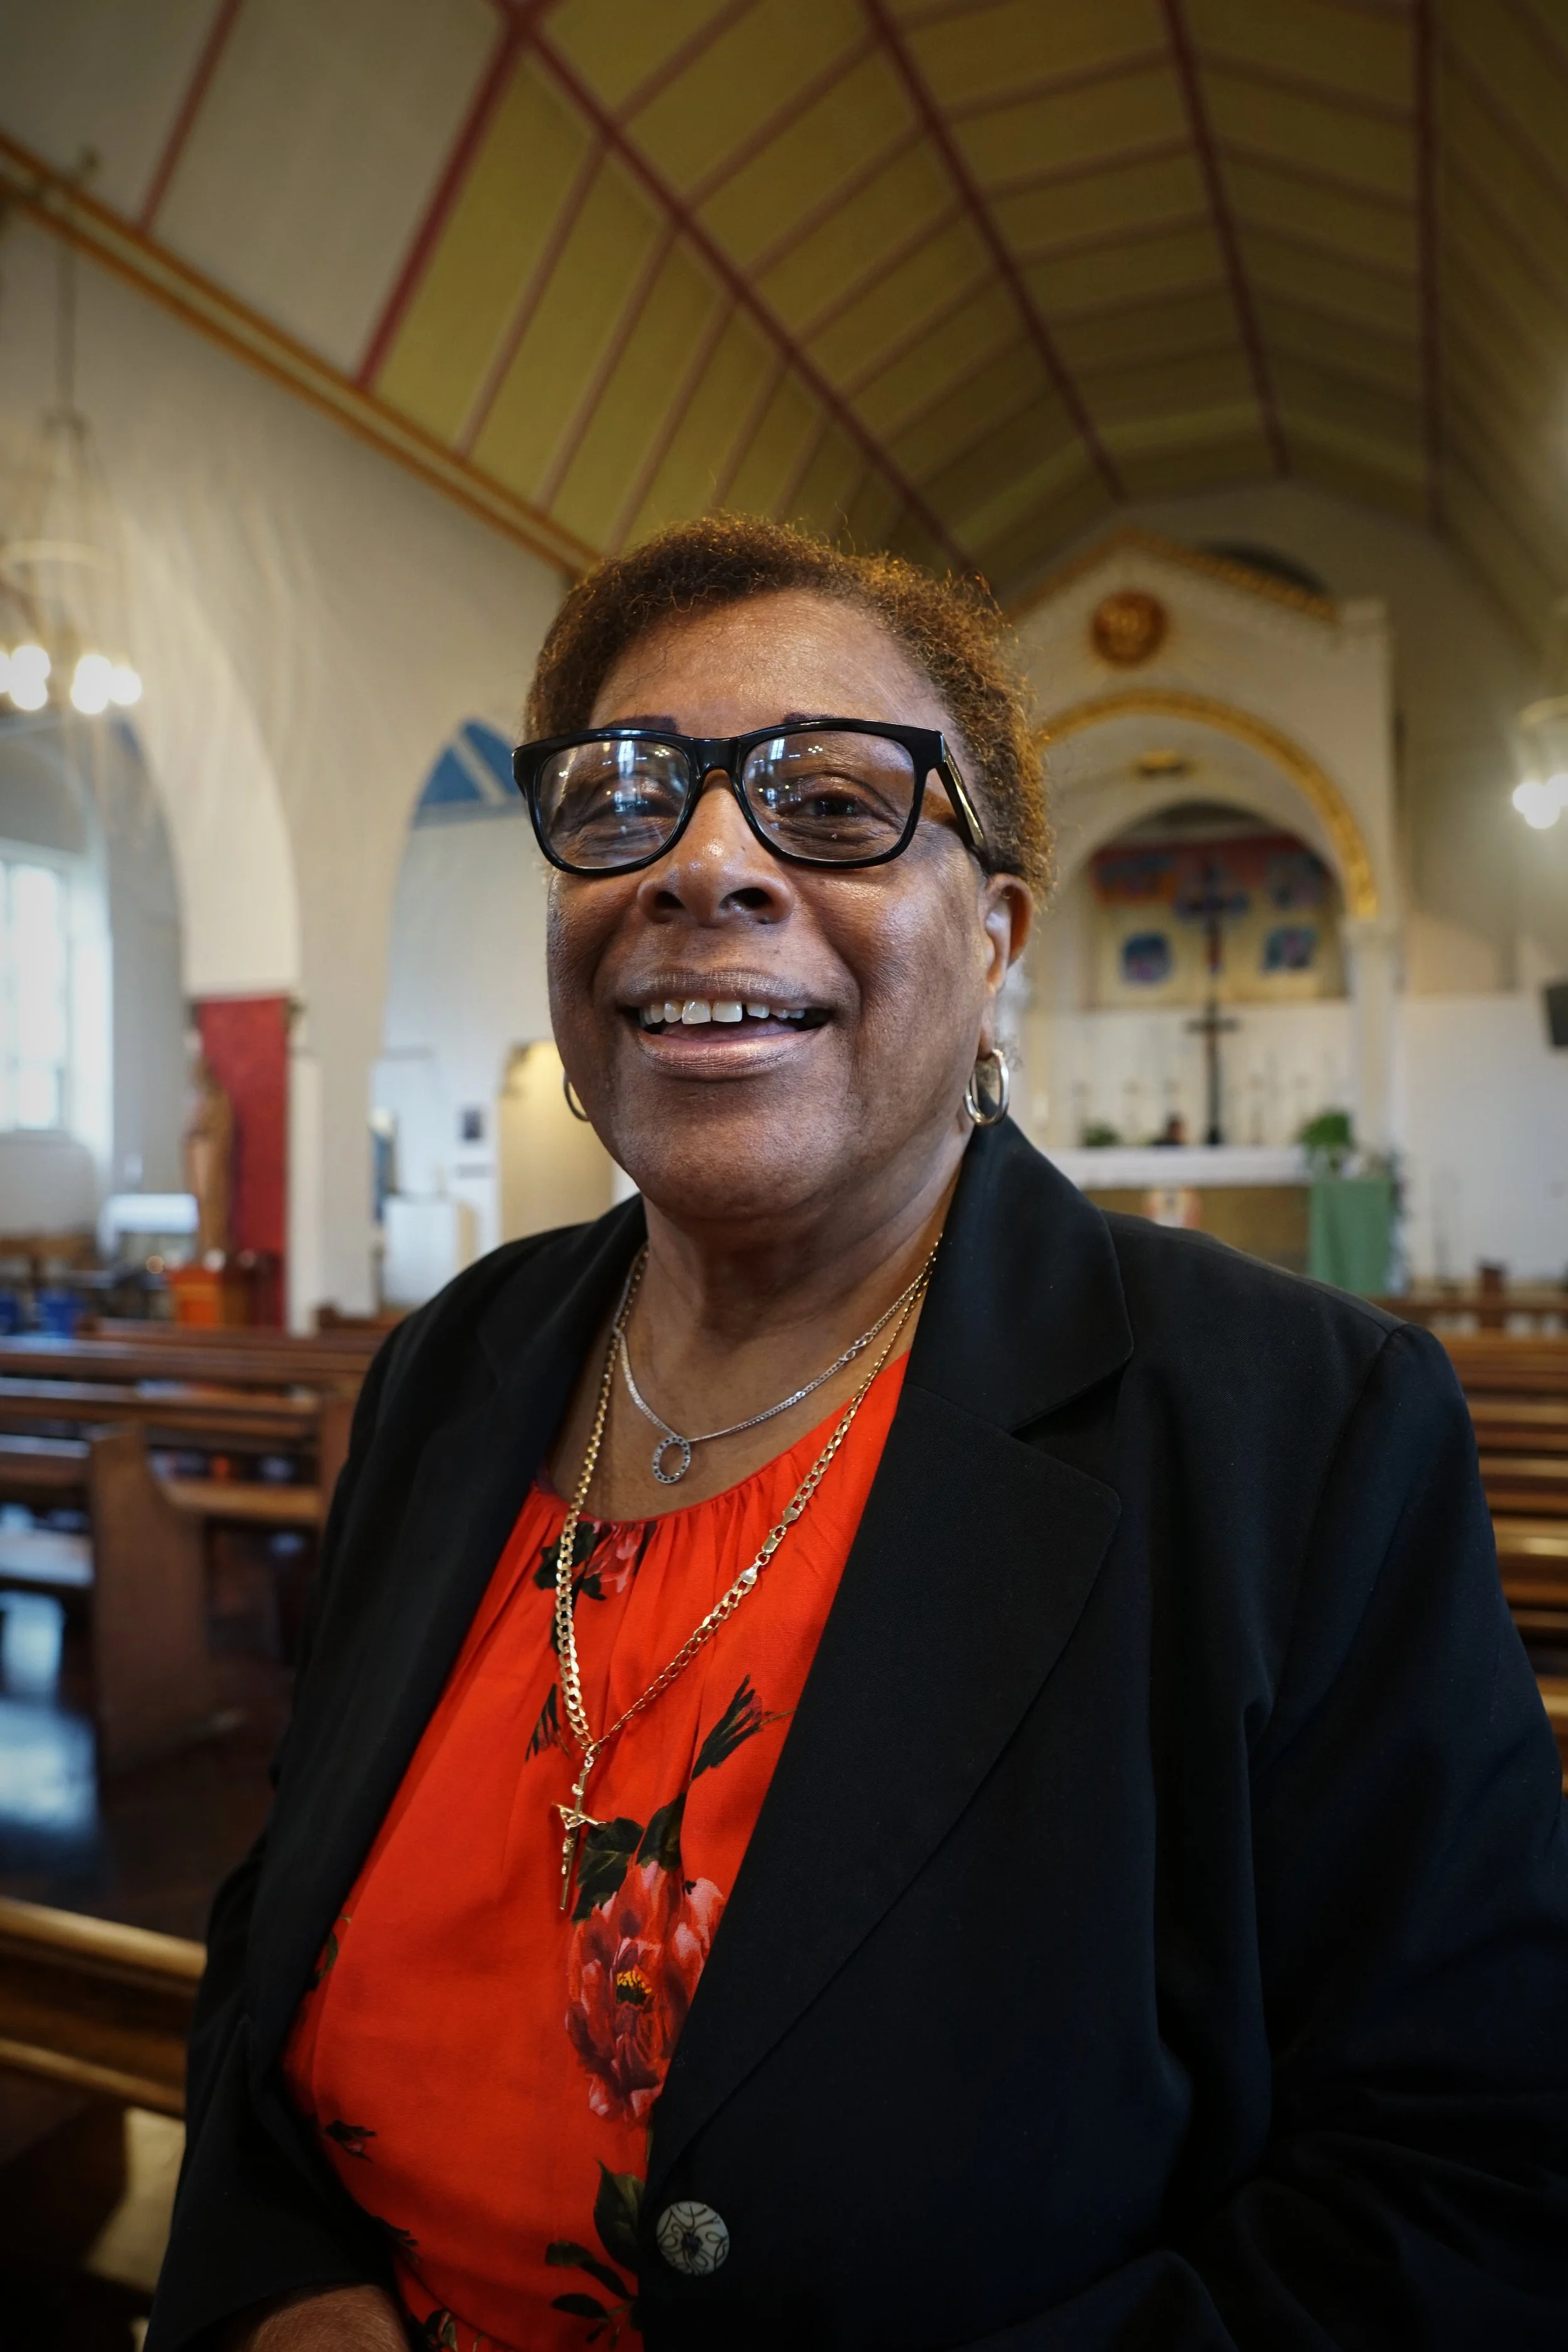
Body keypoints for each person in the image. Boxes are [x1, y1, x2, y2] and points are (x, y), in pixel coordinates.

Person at [149, 519, 1568, 2352]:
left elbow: (1464, 2186)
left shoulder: (1296, 1432)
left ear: (994, 941)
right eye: (622, 800)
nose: (704, 862)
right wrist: (276, 2288)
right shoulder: (452, 1370)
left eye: (832, 803)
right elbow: (272, 1931)